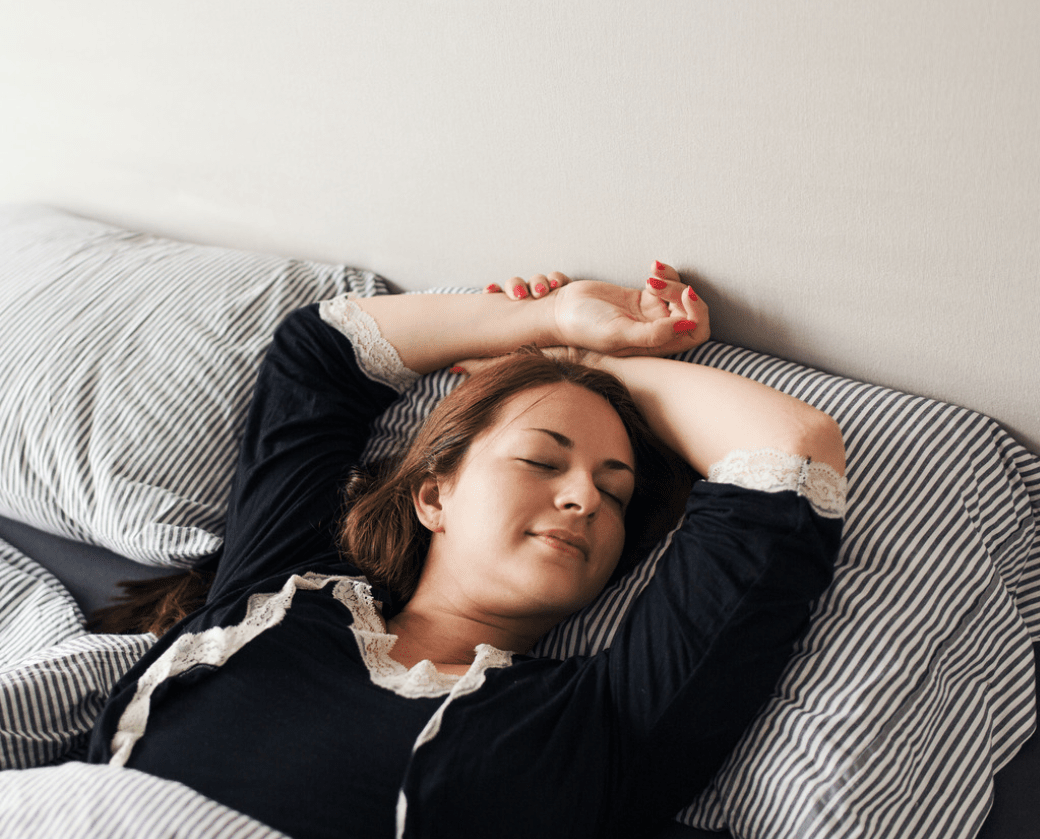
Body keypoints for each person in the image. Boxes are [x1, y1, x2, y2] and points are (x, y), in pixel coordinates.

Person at [85, 264, 847, 839]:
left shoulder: (600, 723)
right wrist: (543, 320)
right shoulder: (280, 588)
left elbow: (787, 455)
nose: (583, 497)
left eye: (612, 493)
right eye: (542, 461)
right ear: (433, 495)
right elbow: (318, 353)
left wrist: (591, 364)